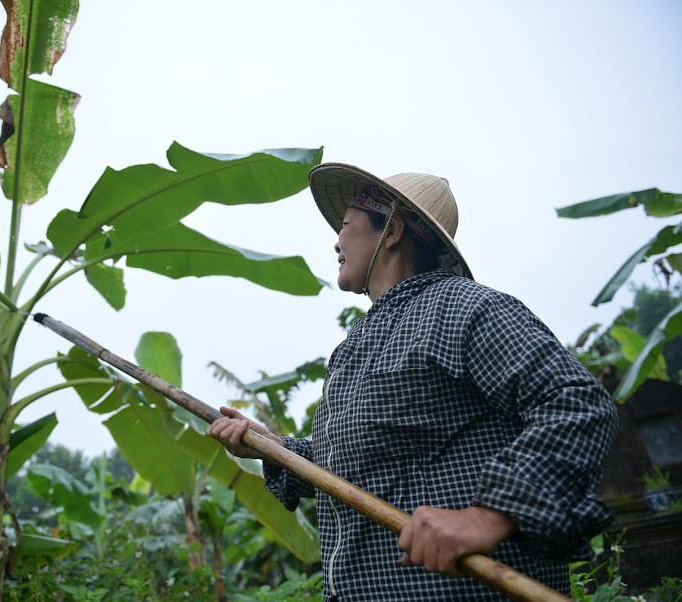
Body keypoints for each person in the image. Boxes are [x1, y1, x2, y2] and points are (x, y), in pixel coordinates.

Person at [208, 164, 618, 600]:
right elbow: (350, 474)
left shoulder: (463, 307)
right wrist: (273, 448)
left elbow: (575, 402)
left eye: (347, 225)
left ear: (392, 230)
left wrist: (488, 516)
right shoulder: (353, 348)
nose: (336, 240)